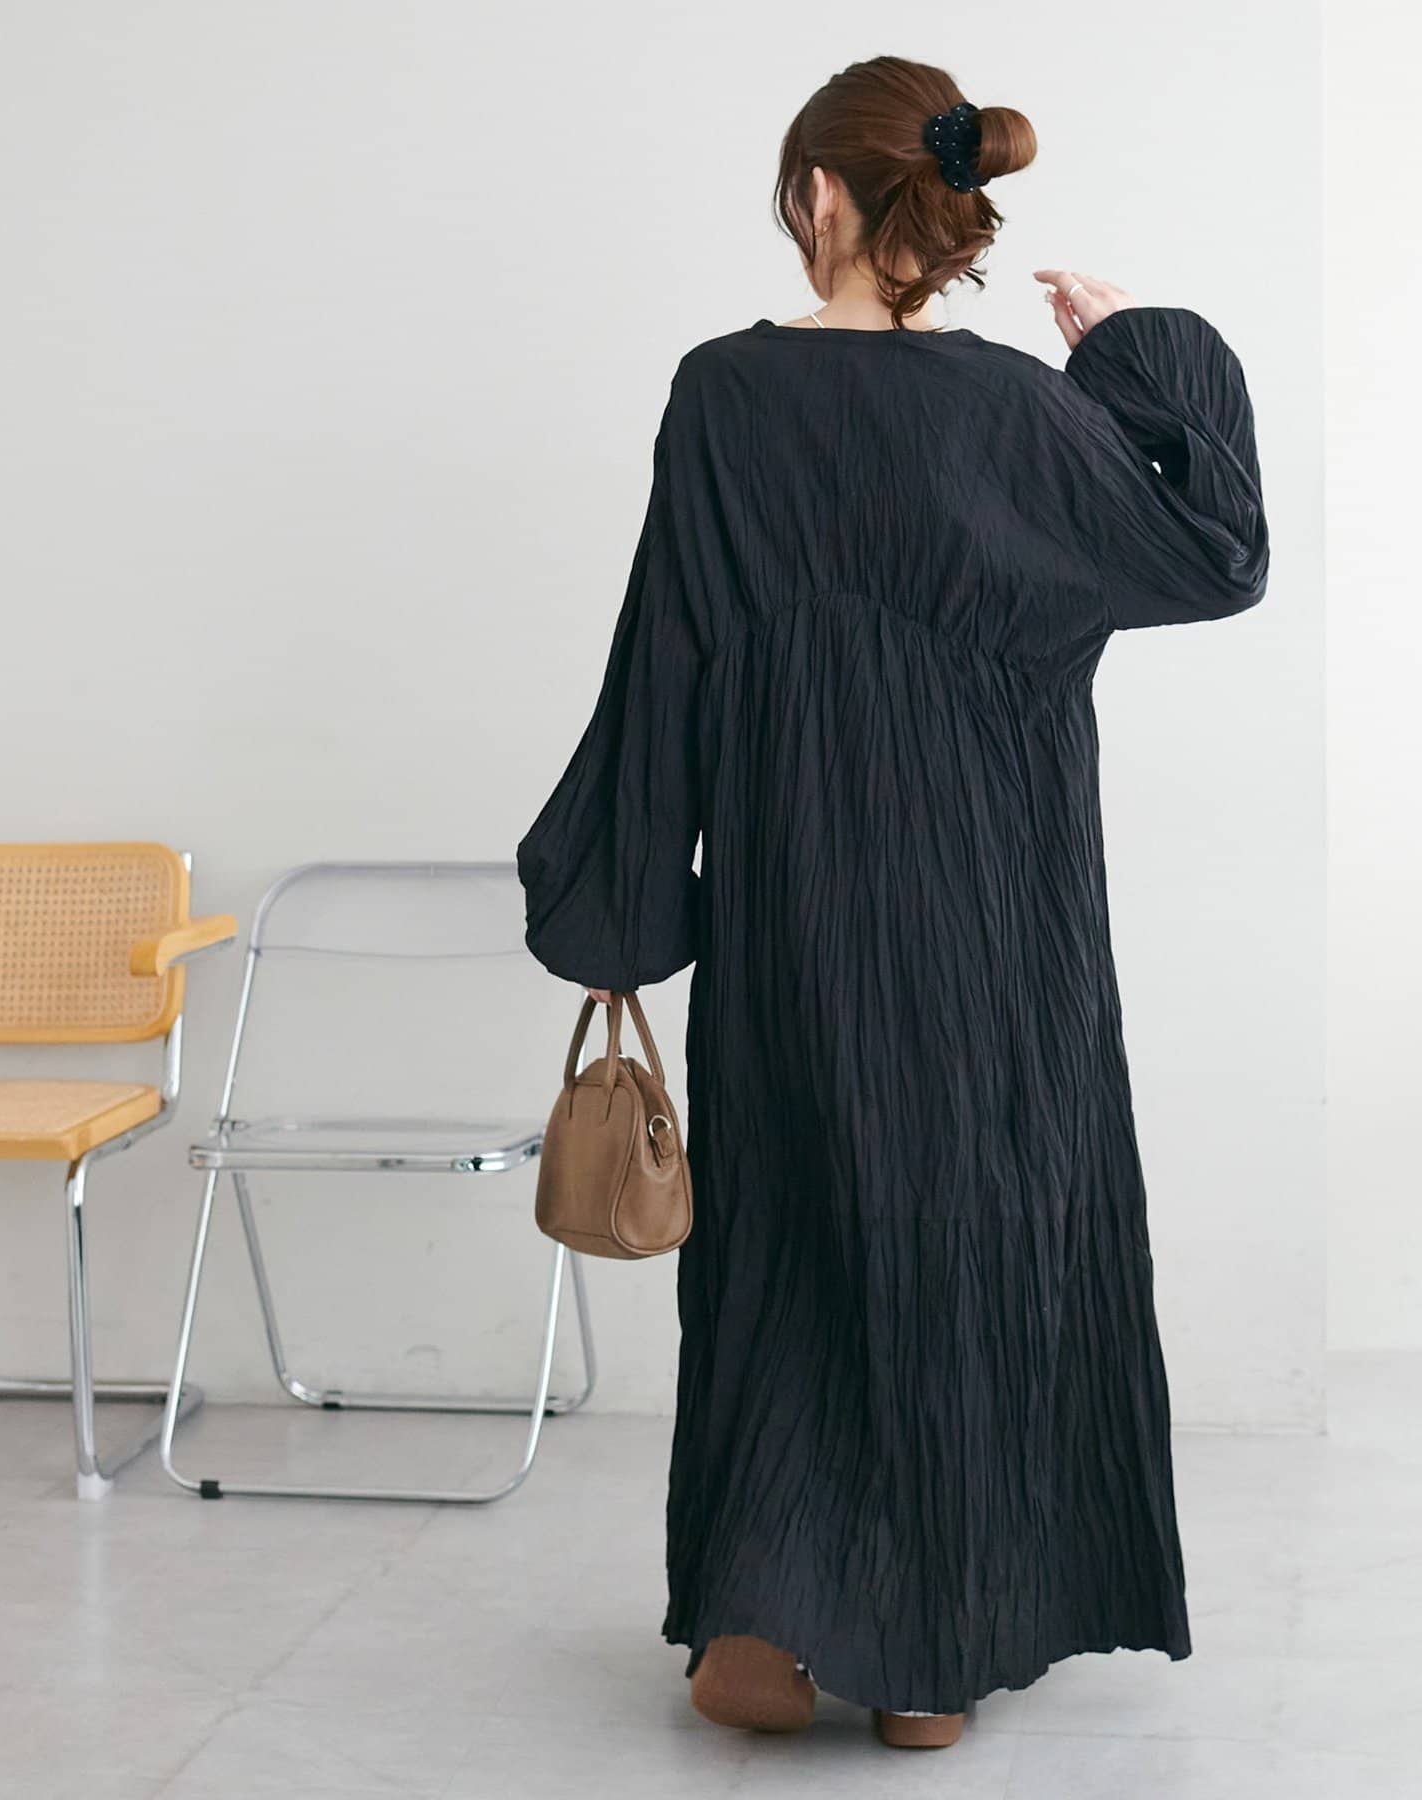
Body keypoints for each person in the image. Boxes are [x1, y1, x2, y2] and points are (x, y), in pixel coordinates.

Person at [516, 53, 1268, 1753]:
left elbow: (666, 662)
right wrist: (1139, 352)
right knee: (979, 1223)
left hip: (800, 905)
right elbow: (1220, 553)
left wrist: (620, 899)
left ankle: (763, 1631)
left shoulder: (726, 396)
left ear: (817, 197)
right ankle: (940, 1653)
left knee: (793, 1231)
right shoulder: (1028, 416)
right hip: (1007, 924)